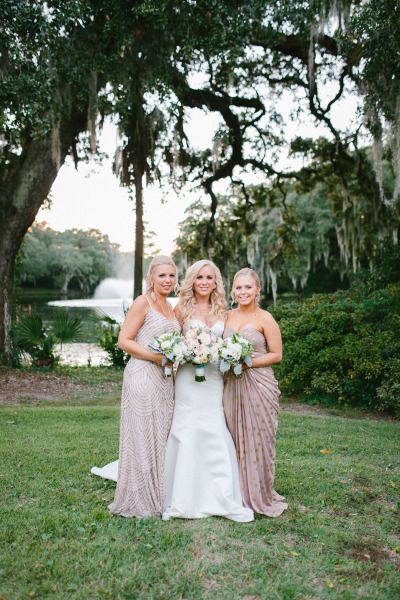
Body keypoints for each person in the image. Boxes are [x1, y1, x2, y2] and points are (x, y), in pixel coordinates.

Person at [162, 260, 254, 522]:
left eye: (209, 278)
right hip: (188, 378)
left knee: (213, 426)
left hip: (213, 376)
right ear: (193, 280)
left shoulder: (223, 311)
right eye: (200, 277)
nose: (204, 282)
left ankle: (220, 493)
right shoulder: (180, 309)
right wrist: (182, 352)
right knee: (187, 427)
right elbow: (171, 341)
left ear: (216, 283)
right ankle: (180, 496)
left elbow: (229, 343)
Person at [92, 255, 180, 518]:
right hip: (142, 375)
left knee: (159, 434)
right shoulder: (143, 303)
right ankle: (140, 497)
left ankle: (159, 491)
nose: (167, 280)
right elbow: (124, 341)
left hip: (165, 380)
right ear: (151, 278)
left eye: (172, 276)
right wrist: (156, 357)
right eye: (162, 275)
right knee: (142, 436)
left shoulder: (170, 307)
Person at [223, 268, 288, 517]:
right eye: (238, 288)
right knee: (233, 436)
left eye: (248, 287)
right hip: (231, 385)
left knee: (259, 437)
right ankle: (235, 492)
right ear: (232, 291)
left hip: (259, 384)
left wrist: (246, 361)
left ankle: (260, 492)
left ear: (258, 289)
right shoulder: (227, 316)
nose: (243, 292)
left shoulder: (265, 318)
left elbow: (276, 355)